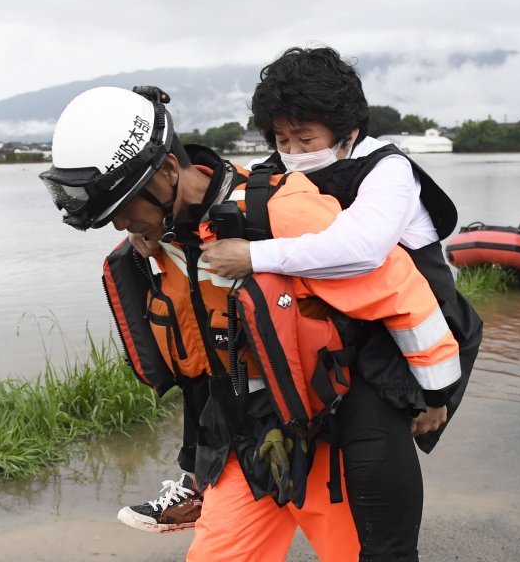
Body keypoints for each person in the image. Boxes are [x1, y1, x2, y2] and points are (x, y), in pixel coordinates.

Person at [40, 85, 463, 561]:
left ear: (166, 173)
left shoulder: (279, 209)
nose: (119, 227)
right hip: (245, 440)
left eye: (122, 211)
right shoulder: (159, 243)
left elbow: (399, 291)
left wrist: (434, 393)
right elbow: (201, 353)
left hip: (326, 430)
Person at [195, 46, 482, 561]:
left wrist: (254, 255)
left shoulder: (388, 171)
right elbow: (220, 202)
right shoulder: (277, 169)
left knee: (382, 529)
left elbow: (361, 251)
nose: (293, 151)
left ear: (346, 131)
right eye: (282, 139)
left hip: (403, 349)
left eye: (306, 138)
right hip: (337, 349)